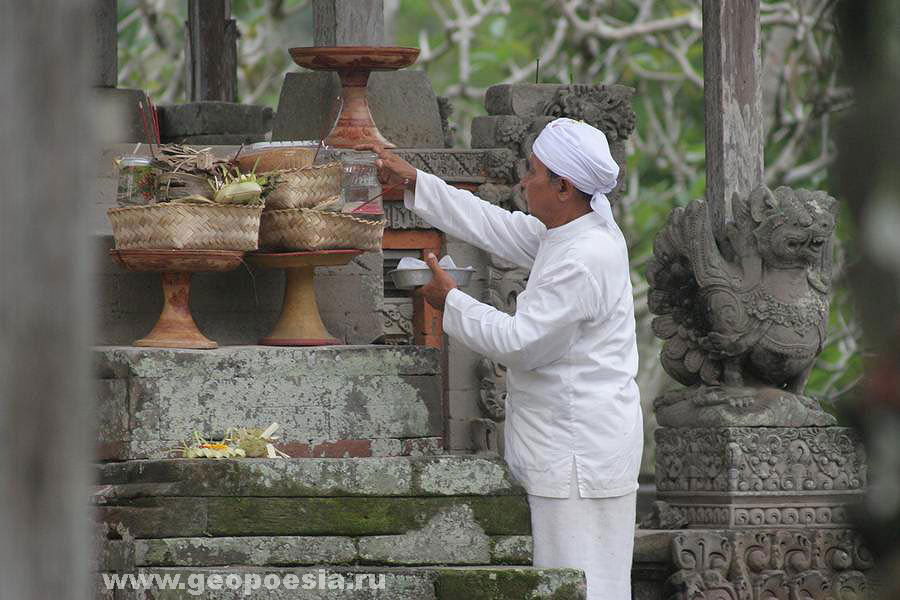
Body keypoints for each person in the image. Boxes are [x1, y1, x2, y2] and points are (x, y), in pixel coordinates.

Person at [358, 117, 642, 600]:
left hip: (577, 456)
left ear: (564, 186)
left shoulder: (584, 256)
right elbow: (499, 226)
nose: (523, 182)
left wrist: (450, 300)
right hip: (577, 447)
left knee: (581, 585)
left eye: (532, 172)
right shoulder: (574, 229)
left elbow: (521, 343)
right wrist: (418, 184)